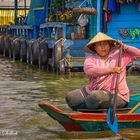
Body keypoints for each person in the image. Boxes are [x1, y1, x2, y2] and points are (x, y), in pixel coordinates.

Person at [65, 32, 140, 111]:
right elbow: (90, 71)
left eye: (105, 44)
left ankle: (90, 112)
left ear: (110, 45)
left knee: (94, 97)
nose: (103, 47)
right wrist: (110, 70)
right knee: (71, 97)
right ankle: (84, 112)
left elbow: (138, 54)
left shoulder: (120, 55)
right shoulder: (90, 59)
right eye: (100, 45)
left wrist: (124, 46)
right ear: (94, 47)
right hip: (92, 90)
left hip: (117, 95)